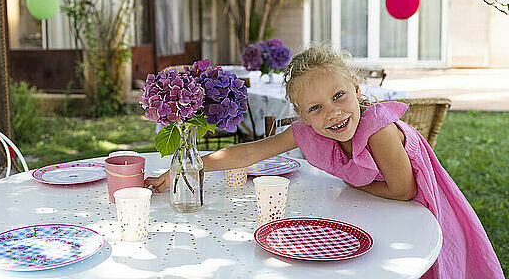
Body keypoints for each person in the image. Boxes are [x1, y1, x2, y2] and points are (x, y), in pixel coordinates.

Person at [144, 43, 503, 279]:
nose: (332, 113)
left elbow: (405, 190)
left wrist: (352, 182)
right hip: (377, 210)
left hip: (423, 213)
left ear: (357, 90)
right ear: (301, 115)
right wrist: (188, 165)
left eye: (339, 97)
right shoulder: (308, 132)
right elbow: (251, 151)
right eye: (315, 108)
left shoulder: (378, 129)